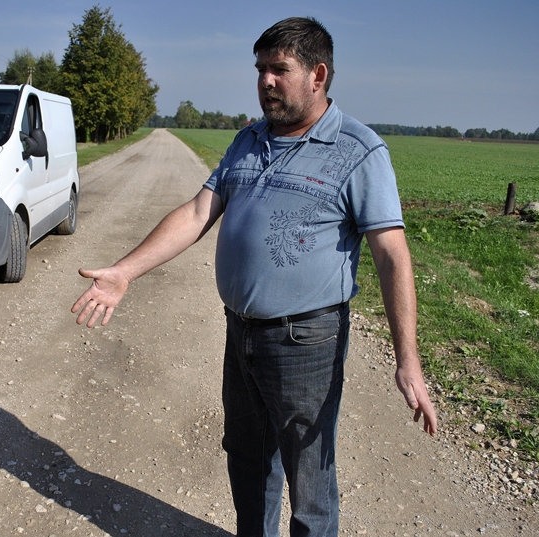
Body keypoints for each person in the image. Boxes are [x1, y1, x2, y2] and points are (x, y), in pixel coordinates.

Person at [71, 16, 437, 537]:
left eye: (279, 70)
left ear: (318, 75)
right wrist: (125, 272)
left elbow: (392, 256)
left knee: (309, 477)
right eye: (260, 69)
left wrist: (408, 360)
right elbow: (198, 214)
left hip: (306, 339)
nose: (265, 81)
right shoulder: (247, 140)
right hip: (240, 332)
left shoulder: (359, 151)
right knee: (247, 459)